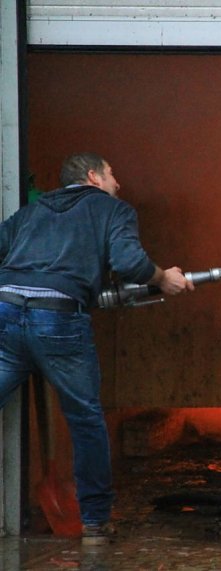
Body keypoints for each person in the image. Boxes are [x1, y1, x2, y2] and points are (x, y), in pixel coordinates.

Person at [0, 152, 193, 545]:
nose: (117, 183)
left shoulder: (31, 212)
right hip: (59, 320)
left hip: (5, 313)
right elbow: (130, 263)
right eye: (112, 174)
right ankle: (95, 523)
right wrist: (164, 278)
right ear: (93, 176)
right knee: (86, 419)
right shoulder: (112, 209)